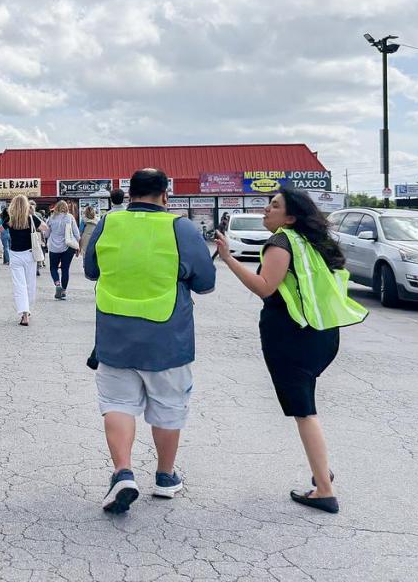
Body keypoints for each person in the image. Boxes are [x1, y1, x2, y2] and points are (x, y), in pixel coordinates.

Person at [214, 187, 367, 514]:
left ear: (291, 216)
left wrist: (227, 258)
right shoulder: (312, 242)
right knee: (304, 403)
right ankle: (321, 468)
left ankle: (324, 489)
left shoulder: (281, 241)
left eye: (274, 206)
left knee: (304, 410)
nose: (266, 211)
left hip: (293, 335)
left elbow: (264, 286)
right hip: (323, 333)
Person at [84, 168, 215, 514]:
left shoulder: (109, 223)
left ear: (130, 195)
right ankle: (165, 476)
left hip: (114, 336)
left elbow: (91, 270)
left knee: (117, 403)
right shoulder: (180, 228)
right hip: (167, 340)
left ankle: (123, 472)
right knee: (169, 407)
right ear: (165, 196)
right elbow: (205, 282)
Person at [3, 194, 48, 325]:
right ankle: (27, 312)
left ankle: (24, 313)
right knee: (30, 283)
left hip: (15, 254)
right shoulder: (31, 218)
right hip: (29, 254)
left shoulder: (9, 218)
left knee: (19, 285)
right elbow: (45, 227)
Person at [43, 200, 82, 300]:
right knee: (65, 269)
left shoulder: (51, 218)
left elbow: (46, 234)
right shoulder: (70, 217)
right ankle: (64, 291)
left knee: (53, 268)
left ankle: (57, 284)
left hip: (53, 247)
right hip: (67, 247)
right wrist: (78, 245)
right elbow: (76, 233)